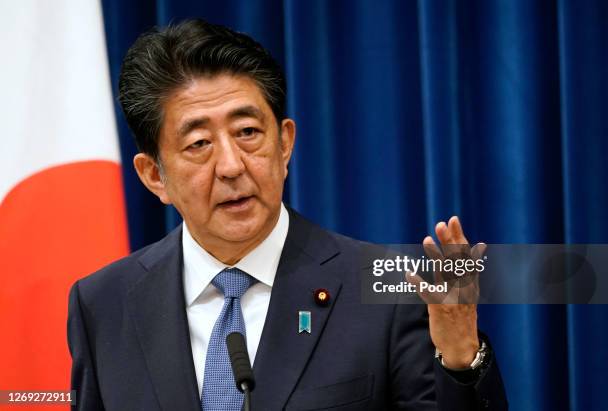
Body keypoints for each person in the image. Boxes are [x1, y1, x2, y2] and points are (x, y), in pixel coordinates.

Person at [68, 19, 507, 410]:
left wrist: (461, 358)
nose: (232, 166)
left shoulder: (384, 289)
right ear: (153, 176)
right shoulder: (104, 305)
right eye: (199, 143)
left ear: (284, 145)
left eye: (248, 133)